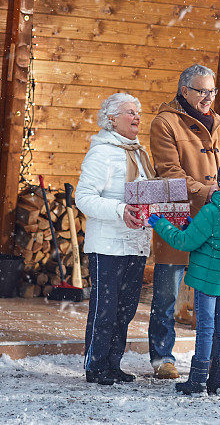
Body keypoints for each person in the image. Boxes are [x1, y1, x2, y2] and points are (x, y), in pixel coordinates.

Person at [147, 64, 220, 379]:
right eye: (202, 91)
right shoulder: (165, 123)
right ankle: (162, 357)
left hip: (215, 220)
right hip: (179, 217)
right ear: (185, 91)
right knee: (167, 292)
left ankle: (214, 354)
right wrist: (204, 190)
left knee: (212, 291)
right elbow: (169, 171)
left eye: (212, 91)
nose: (208, 97)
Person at [148, 158, 220, 395]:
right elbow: (218, 237)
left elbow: (184, 242)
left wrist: (161, 224)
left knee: (206, 327)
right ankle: (218, 380)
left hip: (207, 279)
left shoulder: (211, 210)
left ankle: (197, 380)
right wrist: (194, 225)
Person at [75, 93, 153, 386]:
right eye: (130, 112)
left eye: (139, 112)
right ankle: (95, 366)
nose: (137, 117)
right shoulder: (102, 153)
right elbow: (82, 197)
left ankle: (113, 364)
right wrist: (120, 210)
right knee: (104, 309)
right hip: (107, 245)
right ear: (111, 119)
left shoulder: (139, 153)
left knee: (126, 308)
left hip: (136, 242)